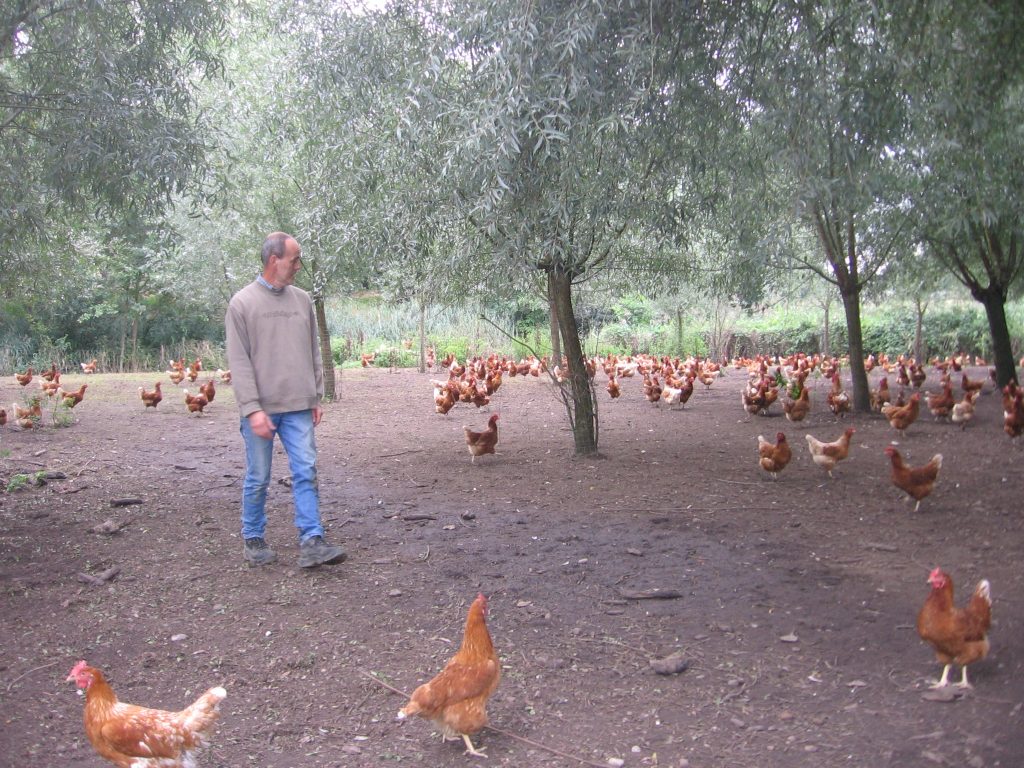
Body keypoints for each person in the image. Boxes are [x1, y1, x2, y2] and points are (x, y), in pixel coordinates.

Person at [225, 231, 346, 568]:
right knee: (258, 475)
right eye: (294, 259)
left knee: (306, 471)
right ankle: (253, 538)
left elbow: (313, 350)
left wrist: (315, 396)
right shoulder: (242, 304)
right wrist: (251, 410)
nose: (298, 266)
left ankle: (312, 539)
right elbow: (238, 361)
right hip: (261, 410)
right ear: (273, 260)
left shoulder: (303, 300)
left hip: (299, 407)